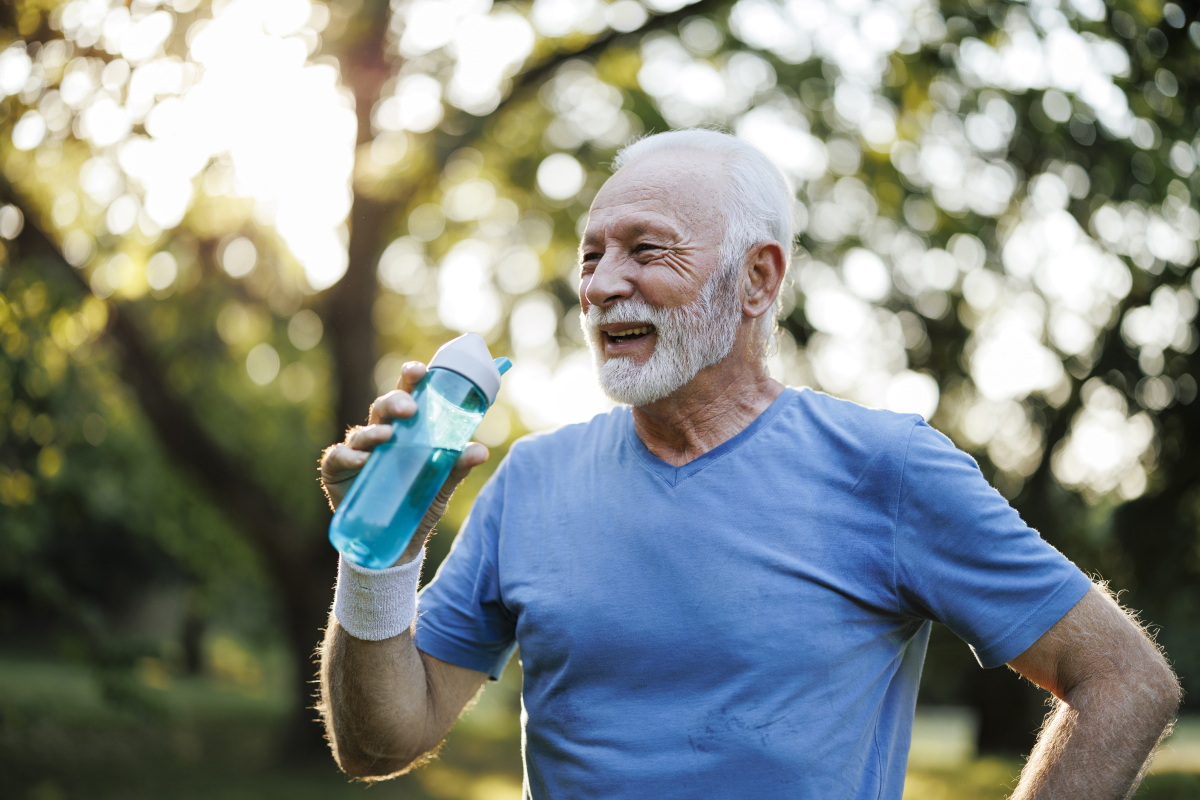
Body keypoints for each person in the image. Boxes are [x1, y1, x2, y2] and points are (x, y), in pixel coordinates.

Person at [316, 129, 1179, 800]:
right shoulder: (530, 483)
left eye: (647, 250)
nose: (601, 284)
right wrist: (380, 551)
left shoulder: (886, 467)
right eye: (591, 254)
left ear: (757, 280)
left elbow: (1125, 679)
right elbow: (380, 742)